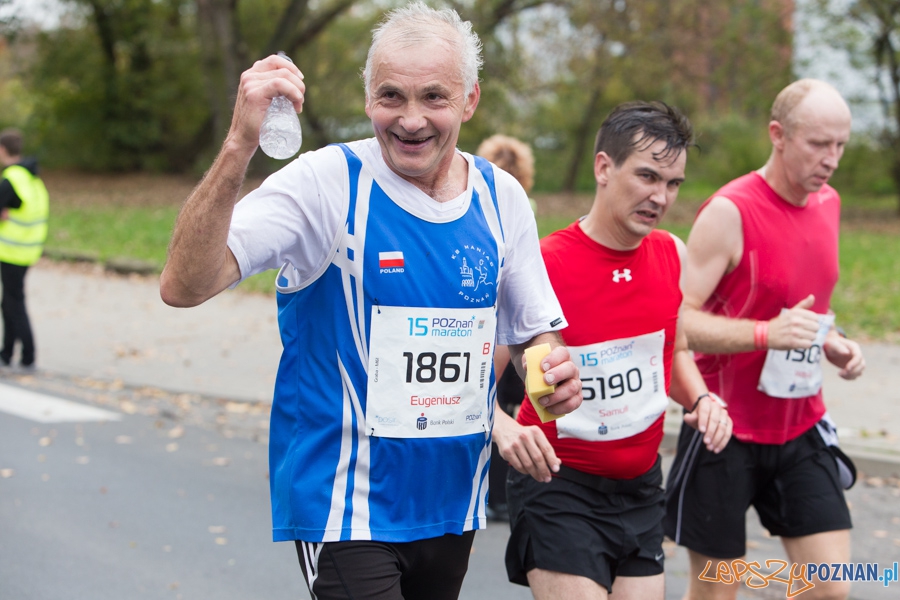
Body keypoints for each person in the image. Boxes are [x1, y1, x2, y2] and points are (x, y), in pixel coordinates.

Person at [158, 3, 583, 599]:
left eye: (434, 97)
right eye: (391, 97)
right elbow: (183, 283)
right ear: (367, 100)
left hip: (451, 501)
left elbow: (535, 332)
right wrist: (237, 145)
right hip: (345, 505)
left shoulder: (500, 196)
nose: (410, 120)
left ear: (470, 100)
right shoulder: (325, 183)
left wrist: (551, 374)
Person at [493, 101, 733, 600]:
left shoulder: (672, 253)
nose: (660, 196)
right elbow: (475, 373)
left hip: (642, 488)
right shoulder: (546, 263)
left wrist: (703, 399)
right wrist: (504, 426)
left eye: (672, 183)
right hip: (559, 486)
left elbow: (675, 348)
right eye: (647, 176)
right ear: (604, 167)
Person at [663, 79, 866, 600]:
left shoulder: (829, 203)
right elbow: (675, 321)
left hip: (800, 425)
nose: (832, 159)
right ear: (778, 134)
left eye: (840, 145)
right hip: (724, 427)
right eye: (819, 144)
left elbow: (807, 305)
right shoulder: (731, 211)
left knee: (829, 588)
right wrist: (763, 334)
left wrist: (833, 339)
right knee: (716, 591)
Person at [476, 133, 537, 522]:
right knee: (504, 409)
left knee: (489, 404)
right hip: (512, 320)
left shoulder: (485, 201)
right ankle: (499, 494)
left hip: (493, 319)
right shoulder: (521, 205)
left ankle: (492, 492)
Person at [0, 128, 49, 369]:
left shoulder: (10, 179)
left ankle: (27, 354)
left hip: (11, 252)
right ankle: (7, 353)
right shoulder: (33, 178)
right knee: (10, 301)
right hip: (29, 250)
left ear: (2, 150)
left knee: (13, 303)